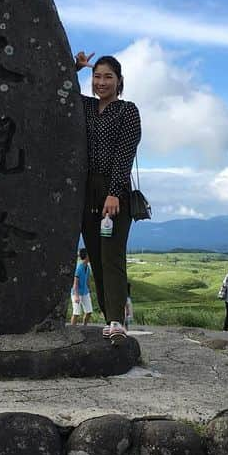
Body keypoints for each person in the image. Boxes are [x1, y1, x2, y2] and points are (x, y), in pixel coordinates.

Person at [74, 51, 142, 345]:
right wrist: (73, 68)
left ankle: (117, 321)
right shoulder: (86, 107)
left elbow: (125, 154)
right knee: (97, 259)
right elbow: (55, 92)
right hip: (86, 191)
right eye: (96, 76)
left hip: (115, 193)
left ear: (119, 81)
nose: (101, 82)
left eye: (108, 77)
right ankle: (107, 317)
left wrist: (114, 192)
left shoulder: (128, 111)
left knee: (112, 256)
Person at [71, 248, 95, 326]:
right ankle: (72, 330)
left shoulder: (87, 267)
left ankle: (84, 327)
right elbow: (75, 284)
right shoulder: (79, 268)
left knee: (89, 311)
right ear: (86, 256)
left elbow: (87, 280)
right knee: (76, 313)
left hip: (85, 292)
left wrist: (89, 290)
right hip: (76, 292)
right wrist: (77, 296)